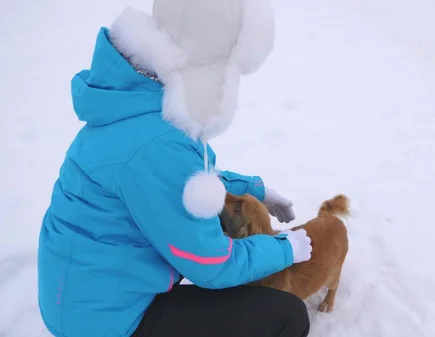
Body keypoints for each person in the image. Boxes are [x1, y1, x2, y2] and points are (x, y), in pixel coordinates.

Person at [36, 1, 313, 336]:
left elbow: (175, 183)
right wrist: (284, 248)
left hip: (82, 294)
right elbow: (211, 264)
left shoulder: (135, 101)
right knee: (287, 315)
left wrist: (252, 188)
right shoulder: (159, 143)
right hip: (106, 321)